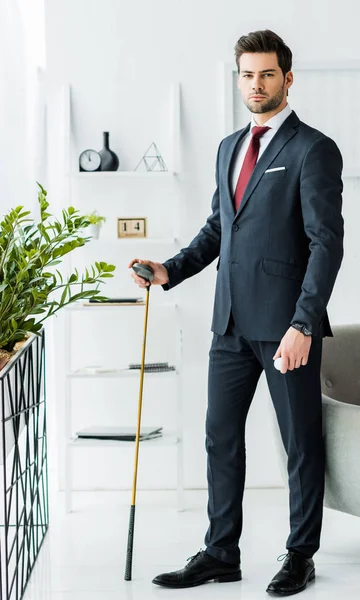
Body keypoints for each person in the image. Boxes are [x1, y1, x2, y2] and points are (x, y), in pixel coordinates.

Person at [129, 28, 344, 596]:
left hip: (284, 327)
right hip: (228, 323)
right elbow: (219, 227)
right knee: (220, 438)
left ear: (287, 78)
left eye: (267, 74)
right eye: (247, 74)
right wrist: (171, 269)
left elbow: (326, 243)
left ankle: (300, 554)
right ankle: (221, 552)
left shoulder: (312, 149)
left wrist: (303, 324)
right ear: (238, 78)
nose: (256, 84)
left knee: (300, 443)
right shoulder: (229, 147)